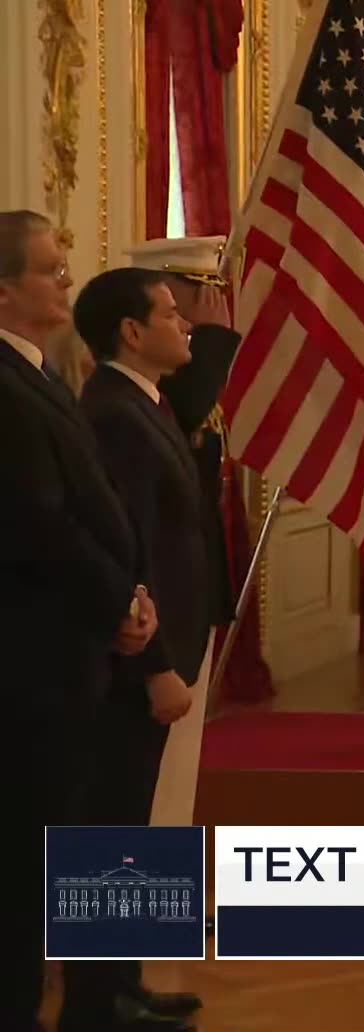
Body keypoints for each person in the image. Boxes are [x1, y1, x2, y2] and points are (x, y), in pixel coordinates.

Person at [1, 210, 160, 1030]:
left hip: (94, 636)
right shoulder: (13, 383)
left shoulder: (41, 373)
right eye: (50, 270)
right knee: (39, 858)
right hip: (50, 652)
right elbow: (41, 520)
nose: (65, 280)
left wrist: (130, 598)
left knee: (82, 833)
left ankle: (111, 986)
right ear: (3, 289)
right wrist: (124, 606)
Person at [67, 267, 211, 1032]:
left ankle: (124, 982)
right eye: (170, 313)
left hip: (167, 645)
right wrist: (154, 667)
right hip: (136, 662)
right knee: (109, 825)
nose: (183, 323)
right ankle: (96, 1000)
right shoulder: (114, 414)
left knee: (134, 819)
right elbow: (130, 554)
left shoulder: (143, 401)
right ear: (131, 331)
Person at [124, 236, 239, 832]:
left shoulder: (152, 394)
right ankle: (142, 913)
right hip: (154, 612)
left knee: (174, 777)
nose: (205, 317)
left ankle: (162, 907)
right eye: (192, 302)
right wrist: (216, 343)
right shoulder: (128, 403)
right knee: (147, 783)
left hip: (183, 600)